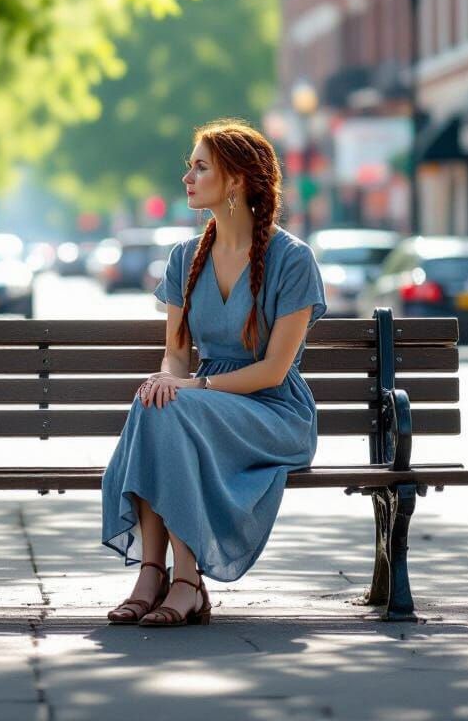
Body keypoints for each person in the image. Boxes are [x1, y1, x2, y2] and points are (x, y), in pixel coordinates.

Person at [102, 118, 327, 627]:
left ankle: (180, 581)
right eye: (190, 166)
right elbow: (177, 355)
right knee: (158, 403)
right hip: (203, 407)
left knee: (175, 408)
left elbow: (273, 371)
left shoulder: (293, 260)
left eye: (201, 167)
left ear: (236, 181)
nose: (187, 176)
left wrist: (191, 387)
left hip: (272, 413)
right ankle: (159, 575)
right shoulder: (185, 258)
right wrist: (167, 380)